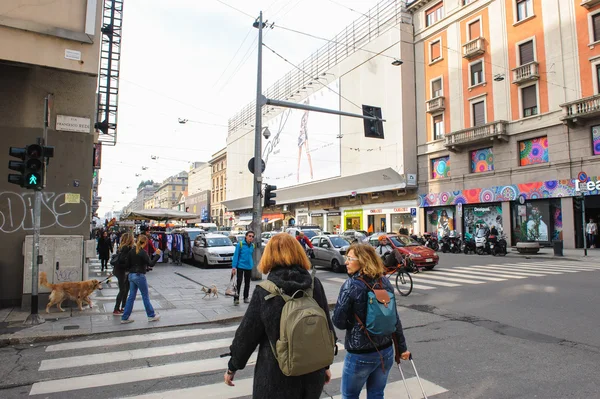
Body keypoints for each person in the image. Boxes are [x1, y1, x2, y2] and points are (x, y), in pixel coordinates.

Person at [223, 233, 334, 398]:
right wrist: (325, 366)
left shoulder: (266, 290)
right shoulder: (313, 284)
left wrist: (233, 366)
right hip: (312, 373)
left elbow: (247, 335)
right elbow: (326, 329)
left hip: (275, 375)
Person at [333, 243, 410, 399]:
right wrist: (402, 348)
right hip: (386, 350)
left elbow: (339, 322)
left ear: (362, 260)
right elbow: (395, 319)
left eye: (349, 258)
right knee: (376, 394)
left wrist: (353, 323)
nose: (346, 262)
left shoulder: (351, 285)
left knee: (349, 395)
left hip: (360, 354)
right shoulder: (384, 282)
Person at [121, 234, 161, 324]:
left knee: (131, 297)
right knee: (145, 296)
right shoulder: (143, 252)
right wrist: (157, 255)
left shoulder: (131, 251)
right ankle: (151, 315)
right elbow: (151, 264)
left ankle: (125, 317)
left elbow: (127, 264)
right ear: (146, 242)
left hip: (131, 275)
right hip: (139, 275)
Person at [112, 232, 133, 316]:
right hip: (122, 271)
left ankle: (123, 307)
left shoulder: (122, 247)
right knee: (123, 290)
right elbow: (122, 261)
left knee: (125, 289)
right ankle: (116, 309)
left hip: (120, 271)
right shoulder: (126, 248)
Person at [232, 231, 255, 305]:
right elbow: (236, 256)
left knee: (247, 283)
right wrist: (234, 267)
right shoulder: (240, 244)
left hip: (249, 267)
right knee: (239, 282)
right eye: (249, 236)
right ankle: (236, 299)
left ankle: (246, 297)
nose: (251, 237)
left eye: (252, 236)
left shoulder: (252, 246)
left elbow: (251, 256)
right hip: (240, 266)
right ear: (246, 236)